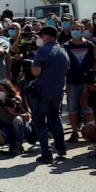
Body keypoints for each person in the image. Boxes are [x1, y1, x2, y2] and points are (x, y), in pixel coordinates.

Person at [30, 26, 69, 164]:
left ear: (47, 36)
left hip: (43, 91)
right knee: (55, 118)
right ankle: (61, 148)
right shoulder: (63, 51)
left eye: (41, 36)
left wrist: (31, 66)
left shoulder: (42, 51)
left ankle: (46, 153)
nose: (39, 39)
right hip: (58, 91)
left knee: (40, 122)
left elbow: (36, 72)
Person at [62, 20, 96, 143]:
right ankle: (74, 132)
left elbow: (95, 63)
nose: (75, 31)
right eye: (73, 29)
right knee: (72, 108)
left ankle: (88, 131)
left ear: (83, 31)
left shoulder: (90, 45)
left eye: (78, 29)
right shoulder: (66, 46)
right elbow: (63, 66)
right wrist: (65, 83)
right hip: (72, 81)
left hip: (87, 82)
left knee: (88, 108)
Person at [0, 79, 31, 156]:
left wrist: (15, 113)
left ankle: (18, 144)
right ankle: (13, 144)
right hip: (7, 127)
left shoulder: (16, 99)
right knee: (1, 140)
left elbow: (27, 117)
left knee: (17, 119)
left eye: (1, 90)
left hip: (21, 127)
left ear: (8, 91)